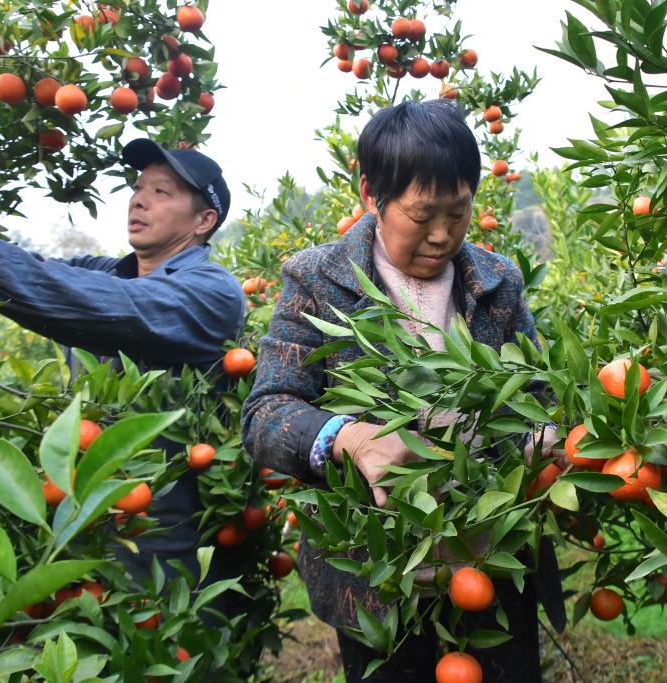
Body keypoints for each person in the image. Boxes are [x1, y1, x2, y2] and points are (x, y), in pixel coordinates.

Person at [241, 100, 565, 682]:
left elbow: (535, 393)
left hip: (491, 554)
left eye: (459, 211)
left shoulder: (499, 281)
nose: (442, 235)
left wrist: (543, 436)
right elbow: (266, 413)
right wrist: (350, 439)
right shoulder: (316, 282)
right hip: (377, 574)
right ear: (371, 194)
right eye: (422, 215)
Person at [0, 139, 245, 605]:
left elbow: (112, 307)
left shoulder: (213, 291)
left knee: (171, 653)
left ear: (204, 221)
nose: (138, 199)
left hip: (169, 531)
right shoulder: (106, 272)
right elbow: (44, 275)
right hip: (84, 517)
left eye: (162, 192)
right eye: (138, 187)